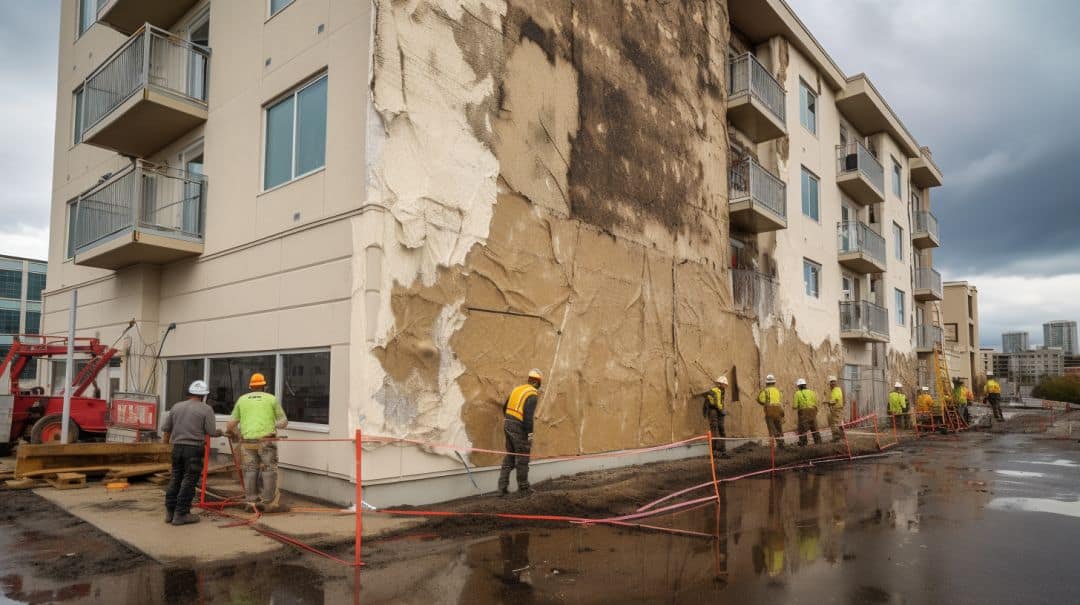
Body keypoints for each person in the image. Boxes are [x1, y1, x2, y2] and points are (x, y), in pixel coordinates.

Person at [226, 372, 288, 512]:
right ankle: (267, 503)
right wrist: (272, 426)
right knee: (269, 469)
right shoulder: (271, 399)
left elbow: (230, 425)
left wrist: (235, 433)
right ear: (264, 386)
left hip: (247, 441)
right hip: (266, 440)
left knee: (250, 470)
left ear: (250, 387)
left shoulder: (242, 400)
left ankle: (251, 502)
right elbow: (284, 422)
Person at [162, 380, 221, 526]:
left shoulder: (176, 406)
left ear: (190, 393)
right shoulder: (206, 409)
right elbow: (211, 432)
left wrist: (165, 447)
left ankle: (170, 513)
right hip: (193, 449)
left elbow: (166, 428)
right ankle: (181, 514)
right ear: (204, 395)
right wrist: (221, 432)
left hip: (177, 448)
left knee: (175, 478)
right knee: (189, 481)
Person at [497, 369, 542, 497]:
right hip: (518, 426)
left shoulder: (518, 389)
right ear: (538, 382)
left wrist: (509, 420)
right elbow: (528, 418)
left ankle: (502, 487)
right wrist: (530, 435)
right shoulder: (532, 394)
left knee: (510, 456)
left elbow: (505, 407)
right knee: (522, 456)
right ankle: (523, 488)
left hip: (508, 422)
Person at [703, 376, 729, 459]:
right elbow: (718, 404)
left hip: (715, 411)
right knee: (715, 432)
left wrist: (721, 410)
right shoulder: (717, 391)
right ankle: (715, 452)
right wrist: (722, 410)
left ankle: (721, 451)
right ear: (721, 384)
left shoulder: (721, 391)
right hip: (714, 411)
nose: (725, 386)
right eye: (724, 384)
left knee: (720, 430)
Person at [757, 374, 785, 447]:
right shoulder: (777, 390)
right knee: (779, 426)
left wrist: (763, 403)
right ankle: (781, 444)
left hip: (770, 410)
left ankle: (772, 445)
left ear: (767, 383)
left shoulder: (765, 391)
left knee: (771, 427)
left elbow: (760, 400)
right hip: (778, 409)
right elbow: (780, 400)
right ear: (774, 383)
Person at [793, 379, 821, 446]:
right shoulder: (812, 392)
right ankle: (819, 443)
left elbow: (795, 406)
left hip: (803, 412)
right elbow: (815, 403)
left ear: (799, 386)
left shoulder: (797, 393)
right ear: (805, 385)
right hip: (812, 411)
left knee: (802, 429)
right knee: (814, 428)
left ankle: (803, 444)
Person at [827, 376, 844, 442]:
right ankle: (842, 438)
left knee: (835, 424)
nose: (831, 384)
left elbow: (835, 400)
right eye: (831, 382)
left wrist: (828, 402)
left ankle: (837, 439)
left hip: (836, 409)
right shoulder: (837, 389)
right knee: (839, 424)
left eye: (832, 382)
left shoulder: (835, 390)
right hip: (837, 408)